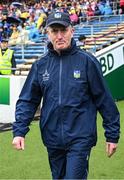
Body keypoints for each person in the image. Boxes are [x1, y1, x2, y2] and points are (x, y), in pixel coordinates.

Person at [12, 11, 120, 180]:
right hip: (52, 139)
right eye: (54, 31)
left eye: (63, 30)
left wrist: (112, 135)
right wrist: (19, 131)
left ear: (72, 31)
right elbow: (27, 100)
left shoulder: (87, 62)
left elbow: (104, 99)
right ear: (48, 34)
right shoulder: (40, 66)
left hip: (80, 138)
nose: (59, 36)